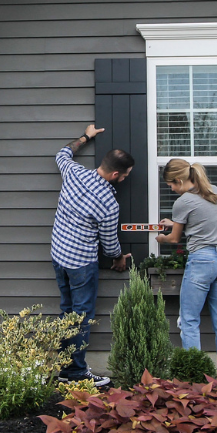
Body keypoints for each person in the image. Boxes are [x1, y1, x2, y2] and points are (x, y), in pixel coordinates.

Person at [51, 124, 134, 387]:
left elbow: (62, 153)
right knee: (81, 316)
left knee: (67, 312)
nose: (125, 180)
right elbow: (109, 244)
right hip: (81, 265)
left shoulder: (74, 173)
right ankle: (75, 372)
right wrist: (119, 258)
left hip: (59, 254)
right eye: (126, 176)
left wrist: (86, 137)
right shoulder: (109, 203)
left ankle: (65, 367)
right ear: (116, 173)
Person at [155, 159, 217, 380]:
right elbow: (204, 219)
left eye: (171, 184)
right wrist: (175, 221)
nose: (171, 189)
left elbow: (174, 238)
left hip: (202, 261)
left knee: (189, 319)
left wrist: (162, 237)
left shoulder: (184, 201)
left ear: (179, 180)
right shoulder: (214, 191)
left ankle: (195, 377)